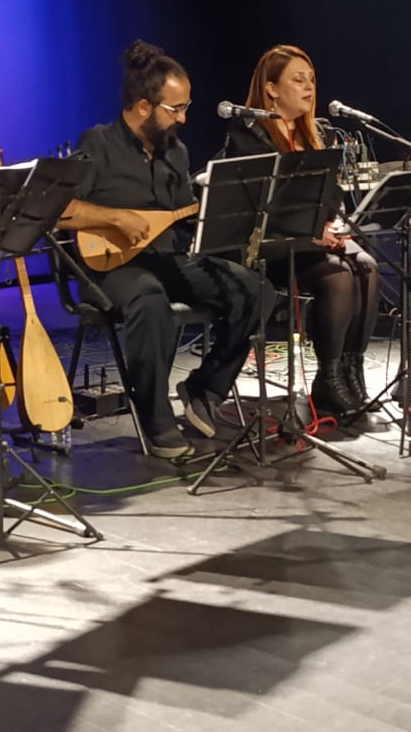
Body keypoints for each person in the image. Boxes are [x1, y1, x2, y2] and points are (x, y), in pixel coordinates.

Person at [55, 40, 272, 459]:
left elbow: (184, 216)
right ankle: (155, 417)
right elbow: (60, 210)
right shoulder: (98, 143)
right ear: (143, 107)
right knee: (149, 298)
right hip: (110, 268)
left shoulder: (177, 152)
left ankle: (205, 387)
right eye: (175, 109)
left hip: (168, 259)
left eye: (186, 107)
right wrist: (116, 218)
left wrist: (217, 207)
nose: (183, 118)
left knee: (254, 288)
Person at [220, 44, 385, 431]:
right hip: (272, 245)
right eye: (298, 80)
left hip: (315, 238)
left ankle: (351, 372)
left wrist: (334, 227)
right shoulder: (248, 136)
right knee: (338, 276)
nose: (309, 87)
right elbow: (259, 211)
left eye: (311, 79)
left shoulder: (318, 132)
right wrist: (313, 232)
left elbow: (330, 198)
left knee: (367, 266)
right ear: (272, 89)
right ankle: (327, 380)